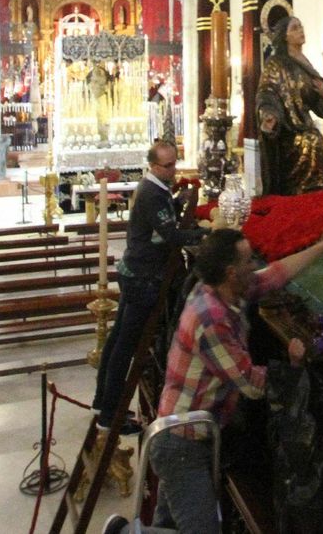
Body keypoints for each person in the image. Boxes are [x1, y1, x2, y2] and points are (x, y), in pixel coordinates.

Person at [146, 225, 323, 534]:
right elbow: (251, 384)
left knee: (167, 527)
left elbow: (274, 275)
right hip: (183, 443)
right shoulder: (210, 317)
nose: (254, 265)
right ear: (231, 272)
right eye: (249, 260)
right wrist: (293, 365)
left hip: (187, 434)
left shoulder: (221, 290)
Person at [89, 140, 201, 437]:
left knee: (117, 341)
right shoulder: (152, 192)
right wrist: (206, 235)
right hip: (144, 277)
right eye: (168, 166)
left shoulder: (154, 188)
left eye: (175, 163)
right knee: (125, 347)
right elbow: (170, 235)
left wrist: (176, 203)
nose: (174, 170)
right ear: (153, 166)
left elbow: (159, 219)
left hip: (135, 272)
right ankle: (109, 416)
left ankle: (102, 404)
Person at [256, 16, 323, 196]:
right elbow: (267, 92)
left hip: (304, 123)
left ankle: (317, 188)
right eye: (295, 28)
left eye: (301, 27)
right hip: (286, 129)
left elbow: (315, 99)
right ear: (285, 36)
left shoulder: (304, 63)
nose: (301, 30)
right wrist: (269, 114)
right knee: (309, 141)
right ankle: (303, 190)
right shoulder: (275, 63)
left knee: (314, 138)